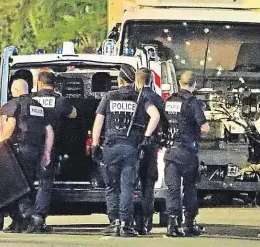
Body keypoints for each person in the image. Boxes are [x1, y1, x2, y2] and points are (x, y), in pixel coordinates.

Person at [90, 65, 160, 237]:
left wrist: (95, 144)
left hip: (111, 146)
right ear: (132, 81)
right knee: (127, 186)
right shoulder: (140, 98)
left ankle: (114, 222)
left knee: (112, 187)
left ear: (120, 80)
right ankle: (126, 224)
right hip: (131, 147)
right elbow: (156, 115)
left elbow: (98, 122)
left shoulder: (109, 97)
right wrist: (146, 135)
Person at [0, 79, 55, 233]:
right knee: (27, 185)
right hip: (35, 151)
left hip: (18, 150)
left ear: (15, 90)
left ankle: (31, 217)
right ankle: (18, 223)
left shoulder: (15, 104)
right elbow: (49, 131)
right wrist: (47, 153)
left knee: (16, 186)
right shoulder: (38, 106)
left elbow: (10, 126)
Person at [28, 70, 77, 233]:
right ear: (53, 84)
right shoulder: (60, 101)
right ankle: (38, 217)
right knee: (45, 183)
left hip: (30, 146)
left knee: (27, 182)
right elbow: (74, 114)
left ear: (40, 83)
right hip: (51, 146)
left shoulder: (30, 99)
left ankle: (24, 217)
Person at [163, 71, 210, 237]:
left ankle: (172, 224)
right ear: (194, 84)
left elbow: (163, 124)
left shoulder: (168, 101)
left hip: (170, 151)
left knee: (173, 189)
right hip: (187, 152)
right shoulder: (193, 103)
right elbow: (205, 128)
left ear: (179, 83)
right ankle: (189, 223)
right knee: (189, 188)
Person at [134, 67, 166, 235]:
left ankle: (134, 220)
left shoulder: (133, 97)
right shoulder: (158, 99)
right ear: (151, 81)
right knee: (148, 183)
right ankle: (147, 221)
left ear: (136, 80)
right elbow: (165, 122)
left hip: (133, 145)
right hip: (151, 145)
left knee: (132, 183)